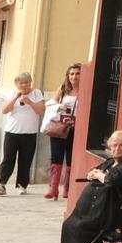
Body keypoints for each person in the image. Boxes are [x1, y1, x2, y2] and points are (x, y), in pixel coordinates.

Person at [0, 71, 46, 195]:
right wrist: (15, 98)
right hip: (12, 132)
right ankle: (1, 184)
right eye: (21, 83)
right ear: (16, 84)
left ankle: (22, 185)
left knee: (25, 160)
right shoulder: (13, 93)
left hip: (29, 133)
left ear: (30, 82)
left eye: (26, 82)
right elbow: (4, 110)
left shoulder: (37, 93)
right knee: (8, 159)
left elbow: (41, 111)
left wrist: (30, 102)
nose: (24, 85)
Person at [45, 61, 82, 199]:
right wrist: (59, 106)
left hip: (75, 128)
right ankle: (53, 189)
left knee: (71, 158)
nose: (74, 77)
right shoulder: (63, 88)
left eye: (78, 74)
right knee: (56, 157)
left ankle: (67, 189)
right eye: (72, 74)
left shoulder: (86, 89)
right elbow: (50, 103)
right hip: (60, 127)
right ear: (68, 75)